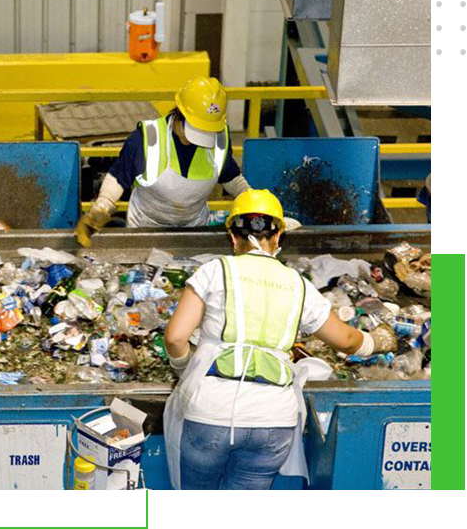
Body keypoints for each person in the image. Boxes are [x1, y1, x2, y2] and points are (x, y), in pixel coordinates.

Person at [162, 189, 398, 490]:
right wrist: (379, 340)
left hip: (210, 413)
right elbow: (348, 341)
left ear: (233, 237)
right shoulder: (298, 285)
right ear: (278, 237)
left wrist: (185, 369)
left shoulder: (214, 271)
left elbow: (176, 337)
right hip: (274, 420)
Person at [75, 76, 251, 246]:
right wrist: (102, 207)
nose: (202, 140)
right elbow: (119, 176)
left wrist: (252, 200)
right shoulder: (148, 139)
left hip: (194, 231)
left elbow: (231, 177)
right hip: (145, 230)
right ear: (179, 116)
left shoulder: (219, 140)